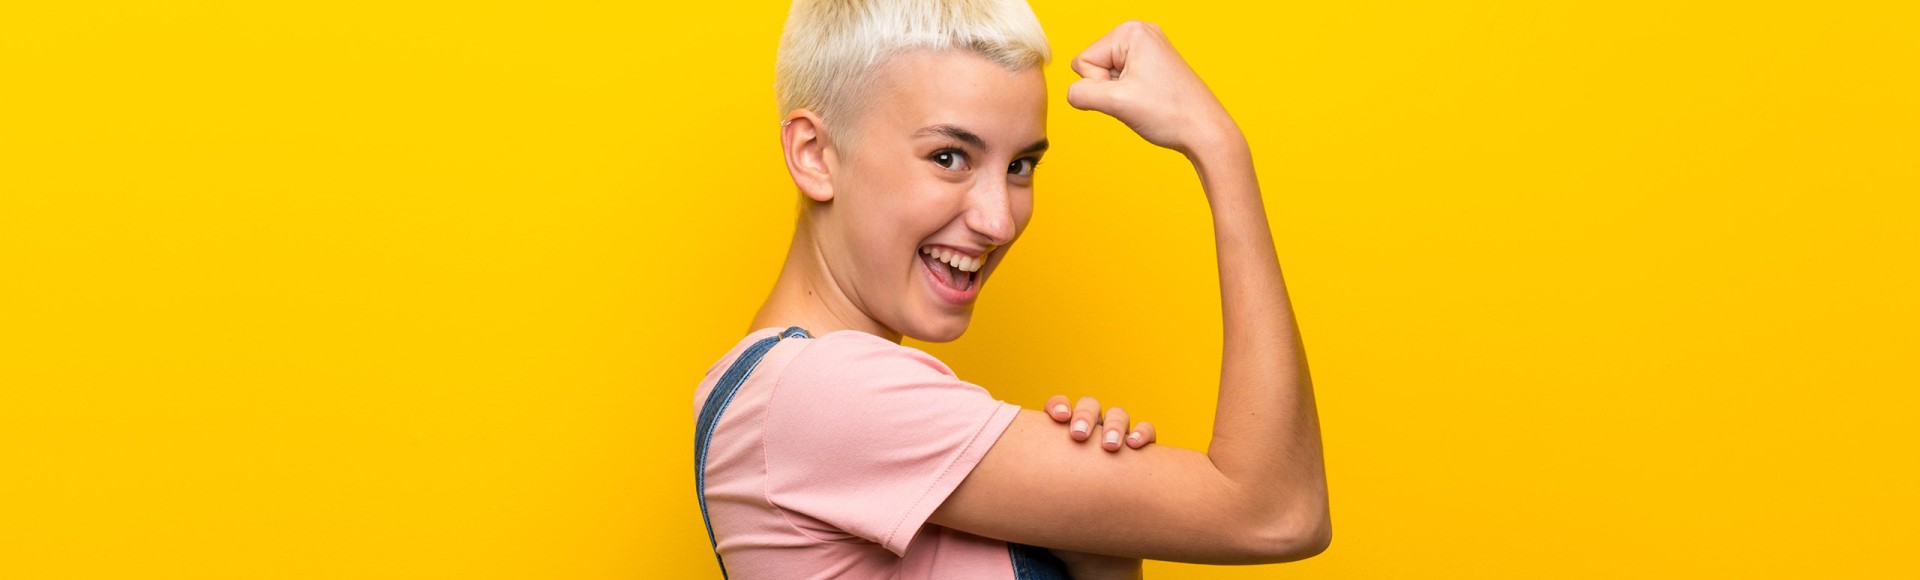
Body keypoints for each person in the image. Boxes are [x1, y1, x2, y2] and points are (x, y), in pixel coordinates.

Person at [691, 1, 1330, 578]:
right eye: (949, 157)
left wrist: (1103, 559)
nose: (999, 221)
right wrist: (1219, 146)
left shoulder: (786, 393)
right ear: (814, 154)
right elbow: (1278, 512)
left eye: (1021, 166)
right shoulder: (823, 392)